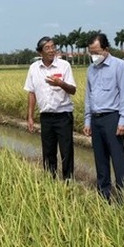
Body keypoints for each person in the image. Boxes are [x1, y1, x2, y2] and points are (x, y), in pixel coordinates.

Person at [83, 33, 124, 201]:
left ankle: (123, 199)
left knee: (118, 160)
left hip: (113, 118)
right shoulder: (91, 69)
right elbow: (88, 96)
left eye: (97, 52)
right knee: (100, 161)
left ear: (106, 49)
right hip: (96, 119)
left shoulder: (119, 66)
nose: (94, 56)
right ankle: (104, 197)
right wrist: (87, 120)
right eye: (91, 52)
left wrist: (123, 120)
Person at [24, 36, 77, 180]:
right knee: (48, 152)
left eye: (53, 47)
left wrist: (60, 83)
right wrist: (30, 117)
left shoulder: (64, 65)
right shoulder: (34, 68)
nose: (51, 50)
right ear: (40, 52)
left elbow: (72, 90)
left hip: (63, 116)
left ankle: (68, 182)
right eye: (47, 48)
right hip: (46, 117)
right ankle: (50, 181)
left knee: (66, 152)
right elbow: (31, 92)